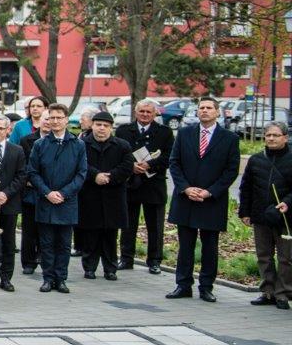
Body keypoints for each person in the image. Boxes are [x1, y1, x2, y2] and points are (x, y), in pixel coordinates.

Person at [166, 96, 239, 303]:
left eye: (209, 108)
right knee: (185, 245)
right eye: (201, 108)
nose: (204, 111)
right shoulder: (185, 134)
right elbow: (175, 163)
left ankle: (206, 287)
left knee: (210, 246)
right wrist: (186, 188)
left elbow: (231, 170)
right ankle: (183, 285)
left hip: (211, 201)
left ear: (217, 112)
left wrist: (210, 192)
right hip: (186, 198)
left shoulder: (229, 139)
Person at [27, 104, 87, 294]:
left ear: (66, 120)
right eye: (51, 118)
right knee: (46, 243)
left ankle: (61, 278)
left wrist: (63, 193)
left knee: (63, 243)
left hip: (67, 202)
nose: (55, 121)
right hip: (46, 201)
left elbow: (81, 173)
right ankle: (47, 278)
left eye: (59, 117)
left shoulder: (77, 144)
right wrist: (47, 192)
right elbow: (33, 172)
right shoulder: (40, 144)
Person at [115, 100, 173, 273]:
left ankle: (154, 260)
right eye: (142, 111)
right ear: (135, 112)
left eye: (149, 112)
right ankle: (126, 258)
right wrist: (131, 166)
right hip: (130, 184)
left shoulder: (165, 132)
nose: (145, 114)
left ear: (155, 113)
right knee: (128, 224)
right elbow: (117, 153)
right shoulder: (123, 131)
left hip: (154, 184)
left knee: (155, 225)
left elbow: (170, 156)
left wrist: (150, 164)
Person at [240, 122, 292, 310]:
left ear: (285, 138)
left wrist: (287, 202)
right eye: (268, 135)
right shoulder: (256, 159)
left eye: (275, 135)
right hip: (261, 215)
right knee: (264, 255)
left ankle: (284, 293)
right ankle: (268, 291)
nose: (270, 138)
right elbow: (246, 187)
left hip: (286, 217)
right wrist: (244, 212)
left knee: (286, 258)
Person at [77, 112, 133, 281]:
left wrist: (110, 176)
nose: (101, 128)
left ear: (111, 128)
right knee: (90, 235)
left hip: (113, 196)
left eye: (105, 126)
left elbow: (127, 166)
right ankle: (89, 267)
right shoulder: (82, 144)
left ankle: (110, 268)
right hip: (90, 196)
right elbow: (80, 165)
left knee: (110, 236)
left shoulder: (122, 145)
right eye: (98, 125)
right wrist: (95, 176)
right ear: (92, 125)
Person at [0, 114, 27, 291]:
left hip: (10, 203)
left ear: (8, 130)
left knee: (9, 242)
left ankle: (6, 277)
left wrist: (5, 194)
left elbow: (22, 175)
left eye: (1, 128)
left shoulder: (17, 150)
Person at [13, 97, 47, 276]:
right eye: (32, 106)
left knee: (46, 228)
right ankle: (28, 261)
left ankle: (44, 257)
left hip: (49, 191)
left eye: (39, 106)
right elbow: (19, 159)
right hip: (29, 188)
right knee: (29, 228)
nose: (35, 109)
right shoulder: (25, 137)